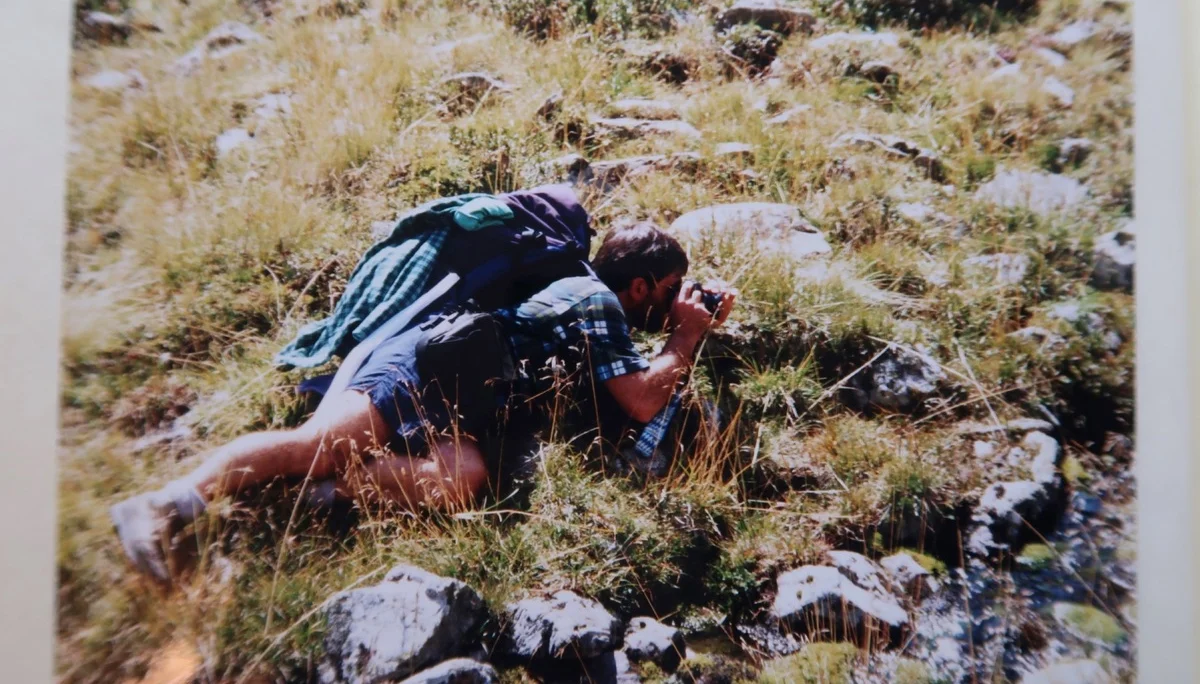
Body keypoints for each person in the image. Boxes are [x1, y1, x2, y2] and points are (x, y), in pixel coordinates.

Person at [109, 222, 735, 583]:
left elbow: (635, 389)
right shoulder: (593, 298)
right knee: (320, 444)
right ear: (640, 286)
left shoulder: (601, 310)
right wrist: (685, 336)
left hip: (470, 400)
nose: (675, 299)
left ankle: (298, 499)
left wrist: (688, 331)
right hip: (424, 367)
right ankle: (164, 505)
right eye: (671, 288)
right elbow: (643, 400)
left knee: (462, 476)